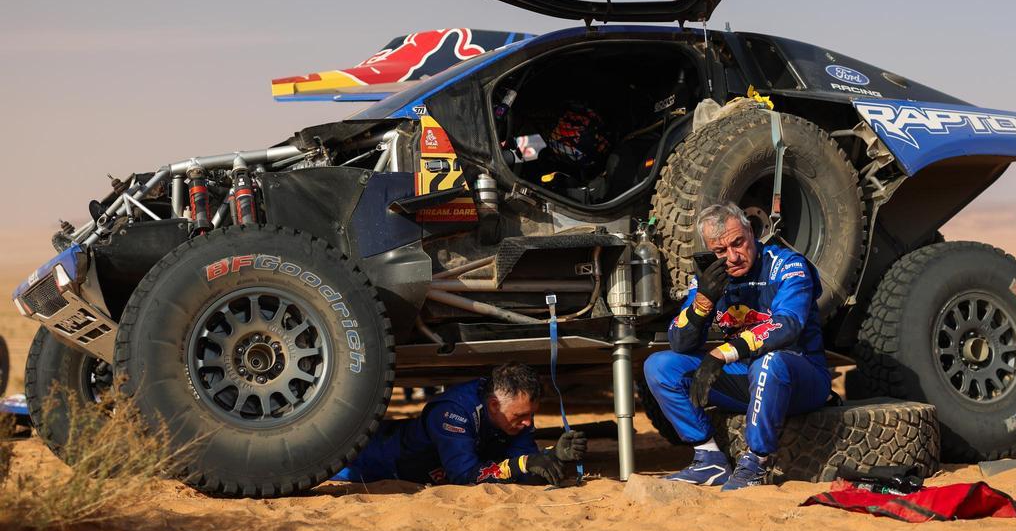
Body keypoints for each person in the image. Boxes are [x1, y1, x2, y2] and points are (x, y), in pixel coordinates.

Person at [643, 202, 831, 491]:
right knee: (659, 366)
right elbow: (679, 341)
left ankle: (756, 462)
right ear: (710, 251)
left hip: (801, 377)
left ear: (751, 232)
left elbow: (789, 323)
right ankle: (708, 458)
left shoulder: (789, 265)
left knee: (769, 363)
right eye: (720, 251)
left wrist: (722, 354)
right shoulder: (711, 278)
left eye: (738, 243)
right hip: (747, 377)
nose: (732, 256)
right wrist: (702, 303)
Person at [332, 362, 586, 486]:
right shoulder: (453, 412)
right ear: (494, 406)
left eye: (531, 415)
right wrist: (524, 464)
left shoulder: (514, 417)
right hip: (363, 458)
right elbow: (464, 476)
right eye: (520, 416)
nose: (529, 423)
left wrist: (554, 457)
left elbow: (523, 463)